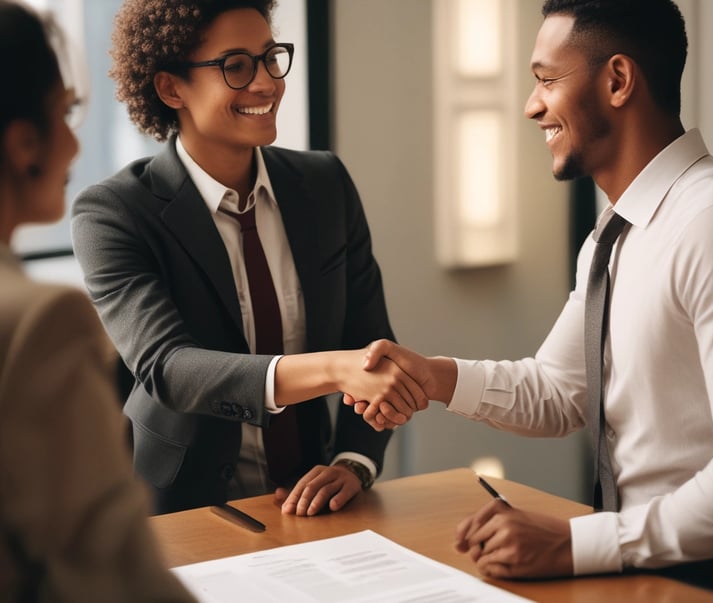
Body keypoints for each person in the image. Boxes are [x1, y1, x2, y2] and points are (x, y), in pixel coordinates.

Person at [349, 0, 713, 590]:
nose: (531, 106)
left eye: (546, 80)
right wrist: (431, 376)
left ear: (618, 81)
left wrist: (576, 541)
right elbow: (559, 391)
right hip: (637, 569)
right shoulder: (611, 235)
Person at [70, 0, 425, 517]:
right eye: (235, 66)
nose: (267, 83)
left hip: (309, 503)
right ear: (171, 88)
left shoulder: (325, 185)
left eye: (270, 57)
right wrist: (333, 370)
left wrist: (352, 464)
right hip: (178, 511)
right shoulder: (113, 212)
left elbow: (371, 347)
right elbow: (170, 368)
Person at [0, 2, 197, 600]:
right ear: (23, 142)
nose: (74, 143)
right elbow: (117, 574)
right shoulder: (41, 323)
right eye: (66, 112)